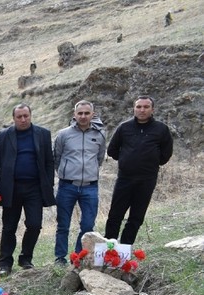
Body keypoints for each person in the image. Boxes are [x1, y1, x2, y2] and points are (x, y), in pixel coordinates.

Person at [0, 103, 55, 275]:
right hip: (10, 188)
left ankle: (26, 258)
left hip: (34, 188)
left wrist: (48, 184)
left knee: (35, 224)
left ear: (30, 116)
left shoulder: (43, 134)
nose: (23, 119)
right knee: (9, 227)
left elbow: (49, 161)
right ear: (14, 118)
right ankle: (5, 263)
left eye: (26, 116)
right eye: (19, 117)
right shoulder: (4, 135)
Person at [104, 96, 173, 244]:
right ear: (134, 109)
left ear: (152, 109)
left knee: (136, 217)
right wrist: (126, 160)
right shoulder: (124, 127)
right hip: (125, 178)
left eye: (146, 107)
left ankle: (125, 250)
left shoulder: (161, 129)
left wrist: (151, 162)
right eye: (139, 107)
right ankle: (108, 249)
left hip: (147, 179)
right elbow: (112, 150)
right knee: (115, 215)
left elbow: (166, 154)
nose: (142, 110)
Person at [53, 101, 107, 264]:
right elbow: (57, 157)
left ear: (92, 114)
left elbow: (99, 158)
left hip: (90, 187)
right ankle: (60, 257)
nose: (83, 116)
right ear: (74, 114)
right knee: (63, 225)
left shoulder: (100, 135)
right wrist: (66, 172)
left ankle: (78, 256)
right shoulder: (63, 134)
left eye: (86, 113)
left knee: (88, 225)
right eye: (80, 113)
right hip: (67, 186)